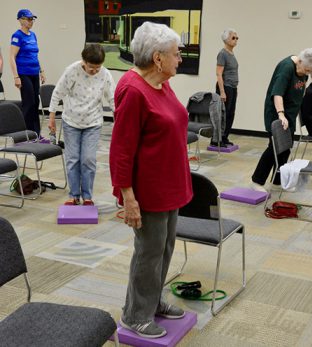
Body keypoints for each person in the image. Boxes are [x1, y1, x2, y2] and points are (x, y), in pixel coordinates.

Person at [109, 22, 193, 339]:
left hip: (170, 184)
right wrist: (128, 198)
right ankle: (135, 314)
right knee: (149, 253)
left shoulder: (161, 82)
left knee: (165, 248)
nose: (179, 59)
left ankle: (153, 302)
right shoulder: (133, 90)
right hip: (148, 191)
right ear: (158, 58)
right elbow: (121, 151)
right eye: (175, 54)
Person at [48, 44, 115, 206]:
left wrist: (118, 117)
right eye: (91, 67)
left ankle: (87, 196)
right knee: (73, 159)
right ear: (83, 61)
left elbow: (112, 98)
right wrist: (51, 118)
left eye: (97, 68)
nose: (94, 71)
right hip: (71, 121)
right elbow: (57, 93)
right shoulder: (72, 71)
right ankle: (73, 195)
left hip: (93, 122)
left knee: (88, 159)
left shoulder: (105, 74)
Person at [251, 48, 312, 192]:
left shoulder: (303, 69)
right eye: (306, 70)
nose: (306, 74)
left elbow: (299, 94)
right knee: (274, 148)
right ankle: (256, 182)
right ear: (300, 61)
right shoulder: (286, 68)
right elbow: (277, 93)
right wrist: (281, 114)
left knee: (286, 149)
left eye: (310, 72)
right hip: (277, 114)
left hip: (289, 114)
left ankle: (278, 181)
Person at [10, 9, 46, 137]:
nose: (31, 21)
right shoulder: (17, 36)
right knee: (28, 103)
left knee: (35, 102)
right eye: (28, 19)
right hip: (23, 73)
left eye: (32, 19)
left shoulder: (33, 35)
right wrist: (16, 77)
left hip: (34, 73)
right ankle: (24, 135)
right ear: (20, 20)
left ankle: (36, 134)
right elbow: (12, 57)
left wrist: (41, 70)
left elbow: (35, 55)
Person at [215, 28, 239, 147]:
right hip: (225, 87)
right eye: (233, 38)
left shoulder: (232, 54)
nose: (236, 40)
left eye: (236, 38)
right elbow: (219, 74)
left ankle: (224, 137)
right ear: (226, 40)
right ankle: (217, 139)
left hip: (233, 87)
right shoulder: (222, 53)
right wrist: (222, 92)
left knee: (231, 113)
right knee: (223, 114)